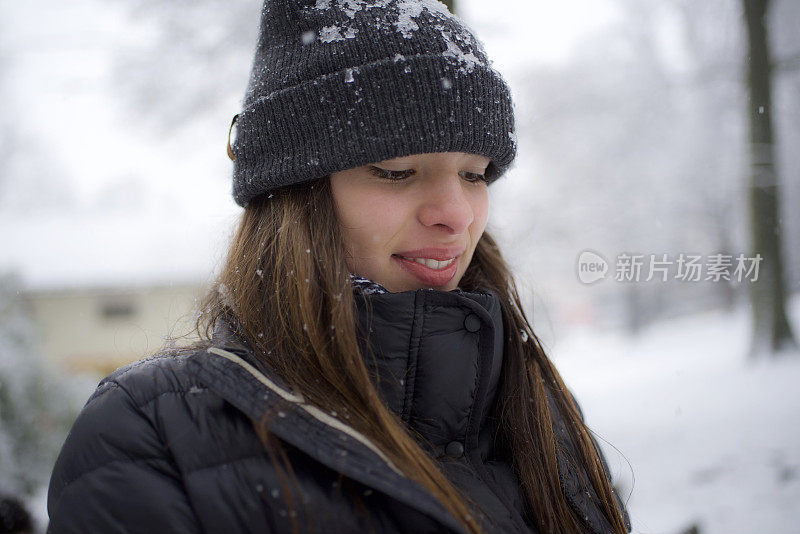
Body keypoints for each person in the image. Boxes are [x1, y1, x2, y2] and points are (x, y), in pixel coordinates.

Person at [47, 0, 632, 533]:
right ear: (294, 194)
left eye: (476, 174)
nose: (457, 214)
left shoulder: (533, 403)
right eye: (397, 171)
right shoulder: (149, 435)